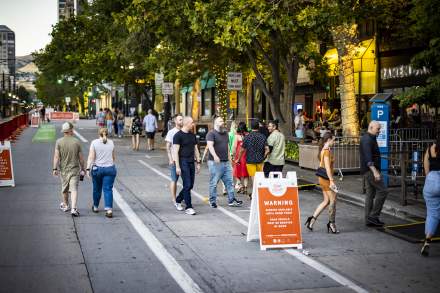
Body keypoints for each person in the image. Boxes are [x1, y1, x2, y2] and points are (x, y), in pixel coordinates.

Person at [305, 132, 339, 233]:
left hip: (322, 178)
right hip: (326, 179)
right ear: (329, 140)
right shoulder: (326, 151)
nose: (334, 142)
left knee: (326, 201)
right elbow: (327, 168)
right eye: (334, 140)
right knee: (333, 201)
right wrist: (332, 181)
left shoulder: (324, 149)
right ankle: (331, 223)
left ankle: (312, 219)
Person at [206, 116, 243, 208]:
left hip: (226, 162)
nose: (223, 122)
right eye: (220, 121)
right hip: (215, 163)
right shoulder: (211, 134)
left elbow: (227, 147)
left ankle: (231, 200)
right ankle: (212, 201)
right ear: (215, 123)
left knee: (230, 182)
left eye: (223, 120)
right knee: (214, 182)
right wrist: (215, 156)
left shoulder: (225, 134)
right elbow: (210, 146)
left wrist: (230, 160)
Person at [52, 122, 85, 217]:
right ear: (70, 130)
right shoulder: (76, 141)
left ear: (64, 131)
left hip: (64, 170)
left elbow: (56, 157)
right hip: (75, 170)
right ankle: (74, 209)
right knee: (74, 189)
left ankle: (66, 205)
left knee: (65, 189)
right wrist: (83, 168)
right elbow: (81, 158)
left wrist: (54, 168)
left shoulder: (59, 142)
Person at [360, 121, 388, 227]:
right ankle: (373, 216)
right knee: (383, 191)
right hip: (370, 171)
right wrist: (375, 172)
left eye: (379, 129)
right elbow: (368, 158)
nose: (379, 131)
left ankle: (369, 219)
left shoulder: (369, 137)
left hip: (368, 171)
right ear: (371, 127)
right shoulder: (367, 139)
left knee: (370, 195)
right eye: (378, 129)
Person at [173, 116, 201, 215]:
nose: (193, 124)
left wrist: (198, 162)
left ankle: (178, 200)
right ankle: (188, 207)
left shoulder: (192, 135)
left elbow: (195, 149)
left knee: (190, 185)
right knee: (187, 184)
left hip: (191, 161)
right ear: (186, 123)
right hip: (182, 161)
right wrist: (177, 166)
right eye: (192, 123)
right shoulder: (178, 135)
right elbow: (175, 152)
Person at [86, 127, 117, 218]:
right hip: (110, 169)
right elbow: (113, 157)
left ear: (99, 133)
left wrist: (88, 169)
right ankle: (109, 210)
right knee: (108, 189)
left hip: (97, 170)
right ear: (107, 134)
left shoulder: (94, 143)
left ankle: (95, 207)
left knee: (97, 189)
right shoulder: (111, 142)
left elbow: (91, 157)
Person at [235, 119, 267, 199]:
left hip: (250, 160)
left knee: (254, 178)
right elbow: (267, 149)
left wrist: (238, 159)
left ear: (251, 127)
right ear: (258, 127)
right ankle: (260, 193)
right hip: (260, 160)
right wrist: (264, 156)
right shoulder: (263, 136)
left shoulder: (247, 137)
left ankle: (255, 194)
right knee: (260, 177)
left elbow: (242, 150)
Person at [421, 138, 440, 256]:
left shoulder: (430, 149)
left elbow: (426, 169)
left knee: (432, 214)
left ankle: (427, 240)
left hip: (431, 181)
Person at [165, 113, 184, 208]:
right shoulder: (171, 132)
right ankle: (174, 199)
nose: (182, 121)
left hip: (184, 160)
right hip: (175, 160)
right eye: (180, 119)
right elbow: (167, 147)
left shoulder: (185, 131)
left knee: (187, 181)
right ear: (175, 121)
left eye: (182, 119)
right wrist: (170, 159)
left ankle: (182, 197)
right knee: (174, 180)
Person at [233, 122, 249, 195]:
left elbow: (234, 147)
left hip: (238, 155)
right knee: (246, 173)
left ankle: (240, 185)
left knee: (237, 172)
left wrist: (233, 155)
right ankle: (245, 187)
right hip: (246, 155)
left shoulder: (237, 136)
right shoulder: (248, 135)